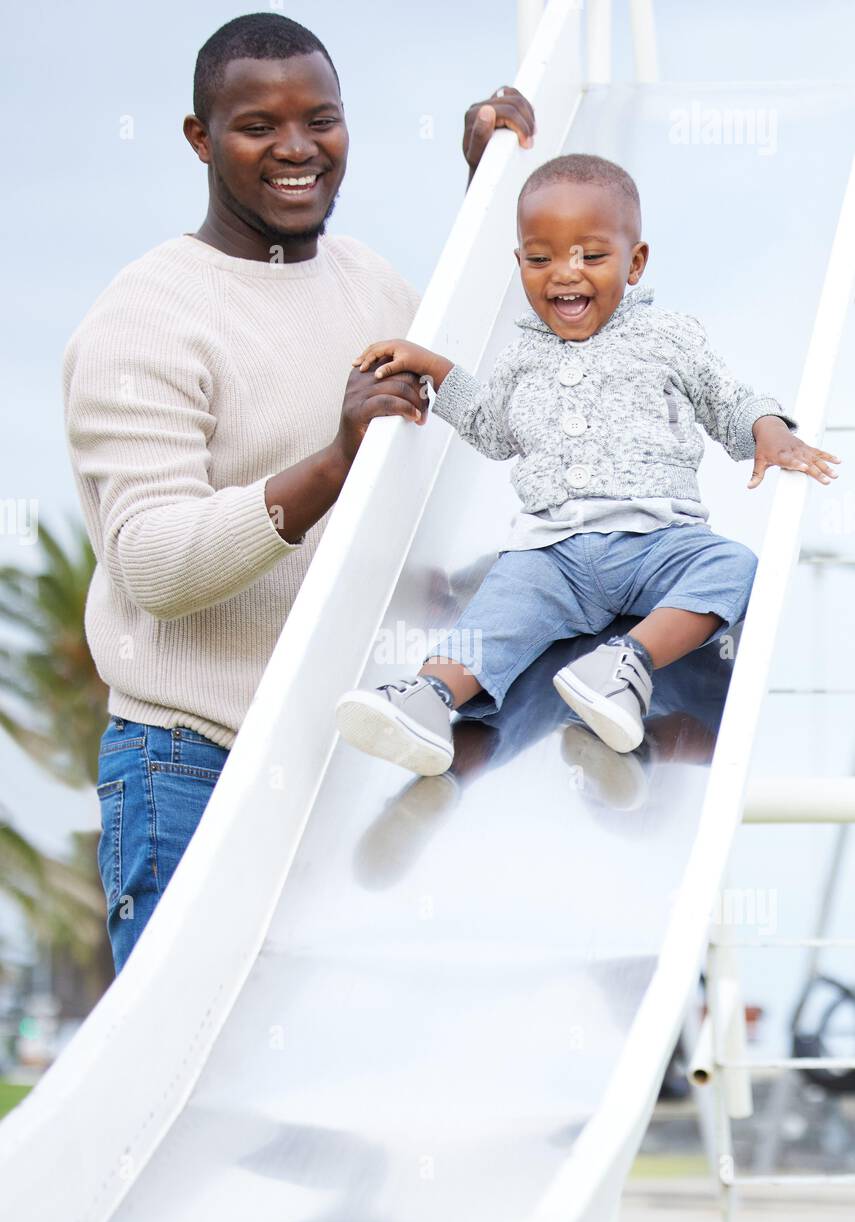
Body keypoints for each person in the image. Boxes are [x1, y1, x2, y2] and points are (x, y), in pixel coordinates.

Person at [65, 11, 535, 974]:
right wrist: (335, 459)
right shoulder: (144, 320)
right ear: (200, 139)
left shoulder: (371, 284)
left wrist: (494, 192)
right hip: (193, 766)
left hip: (342, 764)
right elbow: (152, 564)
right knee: (184, 1098)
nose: (296, 149)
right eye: (256, 126)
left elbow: (500, 396)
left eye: (320, 120)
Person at [335, 153, 840, 775]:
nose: (563, 274)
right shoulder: (524, 355)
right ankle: (427, 699)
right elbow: (495, 431)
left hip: (658, 537)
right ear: (519, 263)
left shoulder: (667, 336)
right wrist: (436, 369)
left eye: (591, 256)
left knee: (734, 568)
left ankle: (626, 662)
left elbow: (724, 398)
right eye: (540, 258)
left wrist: (769, 428)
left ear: (635, 263)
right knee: (496, 614)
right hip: (552, 554)